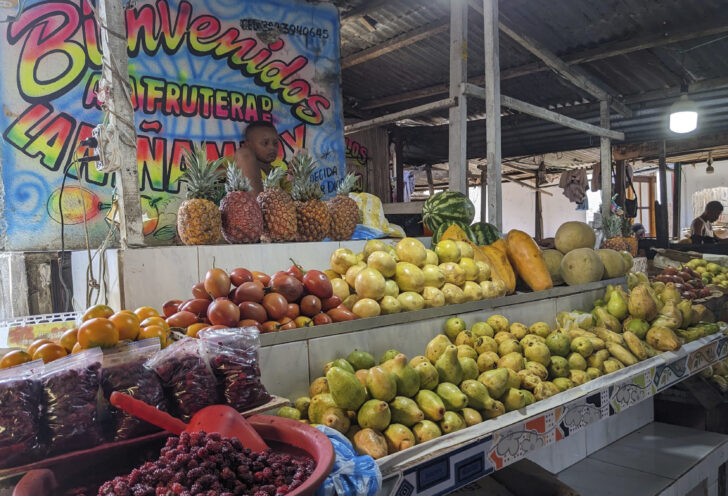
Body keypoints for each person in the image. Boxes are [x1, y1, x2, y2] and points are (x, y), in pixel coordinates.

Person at [234, 121, 280, 196]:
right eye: (265, 143)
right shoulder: (244, 164)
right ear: (248, 144)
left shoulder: (278, 172)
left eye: (275, 143)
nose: (272, 148)